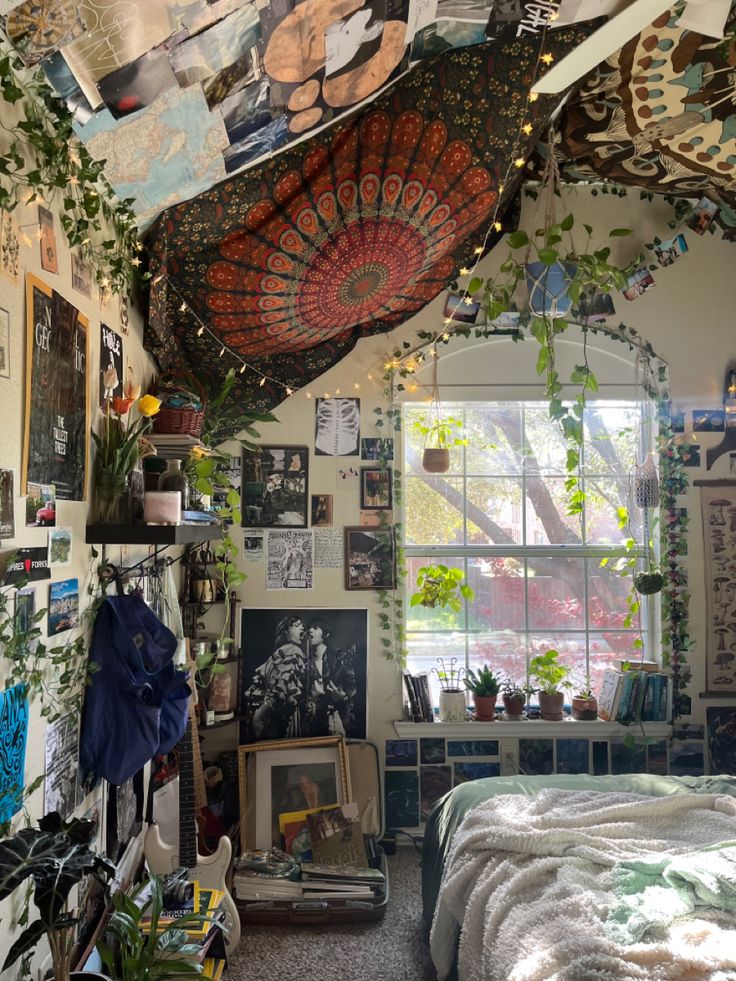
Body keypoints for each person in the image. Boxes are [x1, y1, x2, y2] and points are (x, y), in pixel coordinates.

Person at [245, 616, 306, 739]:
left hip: (262, 714)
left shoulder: (277, 654)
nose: (302, 627)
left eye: (302, 625)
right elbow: (284, 692)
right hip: (276, 716)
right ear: (285, 633)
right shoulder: (292, 650)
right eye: (296, 625)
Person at [306, 616, 357, 737]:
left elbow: (352, 686)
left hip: (332, 716)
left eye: (315, 628)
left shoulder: (338, 658)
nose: (310, 631)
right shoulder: (305, 661)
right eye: (309, 628)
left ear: (326, 634)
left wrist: (343, 695)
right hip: (312, 719)